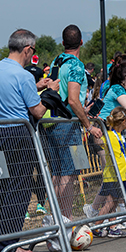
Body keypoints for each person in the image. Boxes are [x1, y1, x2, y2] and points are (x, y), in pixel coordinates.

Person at [0, 28, 58, 252]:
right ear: (27, 49)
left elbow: (6, 92)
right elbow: (37, 111)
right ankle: (11, 243)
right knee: (19, 188)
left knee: (0, 188)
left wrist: (35, 87)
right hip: (18, 134)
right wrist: (50, 93)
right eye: (32, 51)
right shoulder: (24, 75)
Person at [48, 24, 102, 220]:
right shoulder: (76, 65)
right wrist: (88, 124)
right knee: (69, 174)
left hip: (52, 123)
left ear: (63, 43)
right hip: (67, 124)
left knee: (56, 173)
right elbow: (72, 99)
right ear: (81, 42)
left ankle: (55, 218)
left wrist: (82, 111)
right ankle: (66, 218)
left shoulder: (57, 61)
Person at [84, 107, 126, 238]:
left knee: (114, 202)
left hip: (121, 173)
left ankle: (112, 226)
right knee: (110, 202)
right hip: (113, 175)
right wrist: (95, 124)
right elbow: (99, 141)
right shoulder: (110, 136)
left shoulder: (119, 135)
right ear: (123, 121)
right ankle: (97, 225)